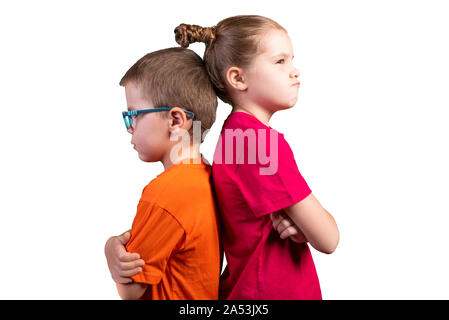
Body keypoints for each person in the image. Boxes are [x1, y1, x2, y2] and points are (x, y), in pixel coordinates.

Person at [173, 15, 340, 299]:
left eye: (292, 60)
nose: (295, 71)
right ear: (238, 78)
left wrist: (301, 227)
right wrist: (310, 228)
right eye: (280, 61)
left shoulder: (234, 135)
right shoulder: (261, 144)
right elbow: (328, 238)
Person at [104, 47, 221, 300]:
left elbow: (131, 290)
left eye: (133, 114)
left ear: (176, 121)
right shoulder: (210, 179)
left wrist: (110, 250)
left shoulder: (164, 193)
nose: (130, 127)